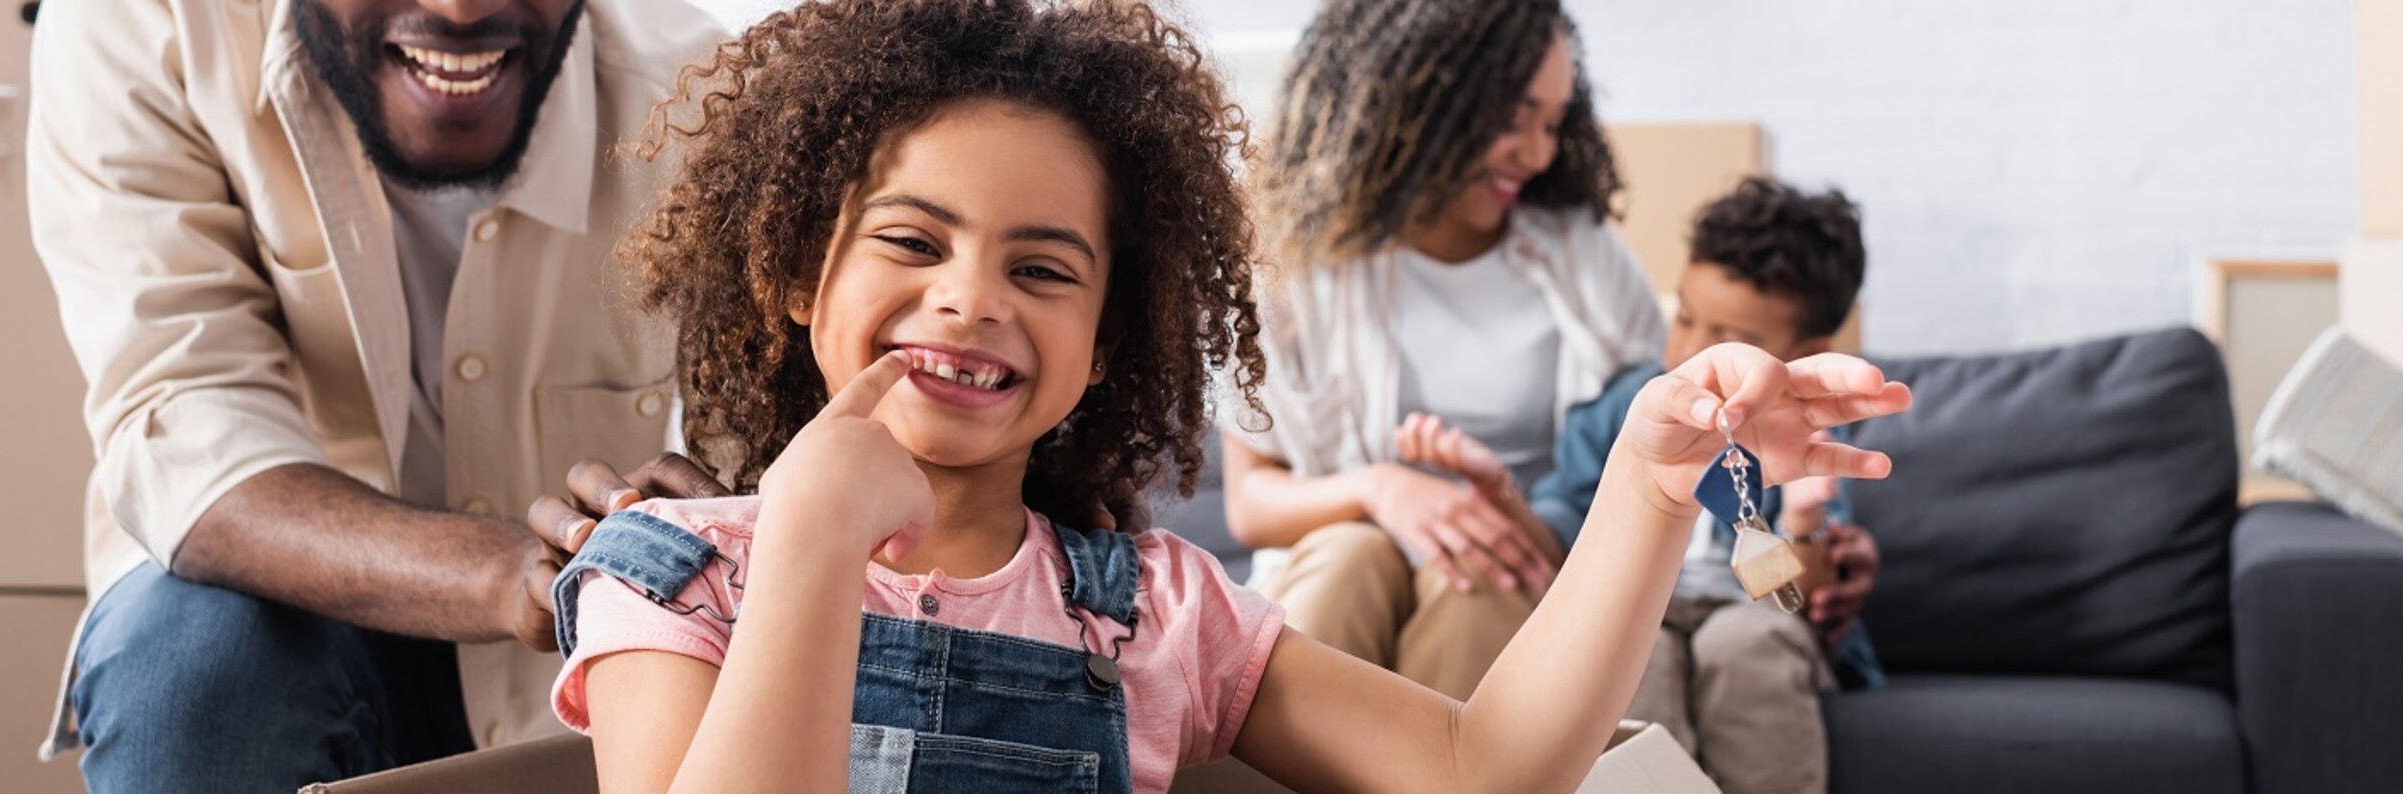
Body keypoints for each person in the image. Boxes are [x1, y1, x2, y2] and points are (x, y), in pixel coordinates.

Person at [544, 2, 1916, 792]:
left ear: (1103, 336)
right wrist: (808, 537)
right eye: (913, 242)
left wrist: (1649, 479)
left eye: (1044, 265)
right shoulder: (673, 578)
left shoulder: (1157, 608)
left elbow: (1488, 769)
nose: (971, 296)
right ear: (796, 271)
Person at [25, 0, 723, 788]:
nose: (463, 9)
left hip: (558, 670)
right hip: (273, 625)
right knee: (191, 669)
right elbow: (193, 440)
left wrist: (709, 526)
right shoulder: (141, 27)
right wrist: (512, 573)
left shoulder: (704, 93)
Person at [1220, 0, 1666, 702]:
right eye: (1513, 118)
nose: (1539, 152)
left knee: (1480, 577)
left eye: (1553, 122)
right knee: (1349, 557)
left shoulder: (1585, 260)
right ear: (1416, 100)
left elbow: (1634, 469)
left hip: (1512, 564)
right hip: (1340, 551)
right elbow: (1249, 502)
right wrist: (1381, 488)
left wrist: (1507, 508)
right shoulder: (1288, 266)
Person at [1404, 177, 1883, 794]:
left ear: (1808, 351)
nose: (1693, 351)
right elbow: (1558, 545)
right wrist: (1497, 487)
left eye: (1732, 339)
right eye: (1684, 317)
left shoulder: (1794, 434)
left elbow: (1797, 600)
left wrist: (1806, 517)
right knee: (1634, 650)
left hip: (1751, 615)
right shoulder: (1626, 410)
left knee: (1750, 645)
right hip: (1643, 612)